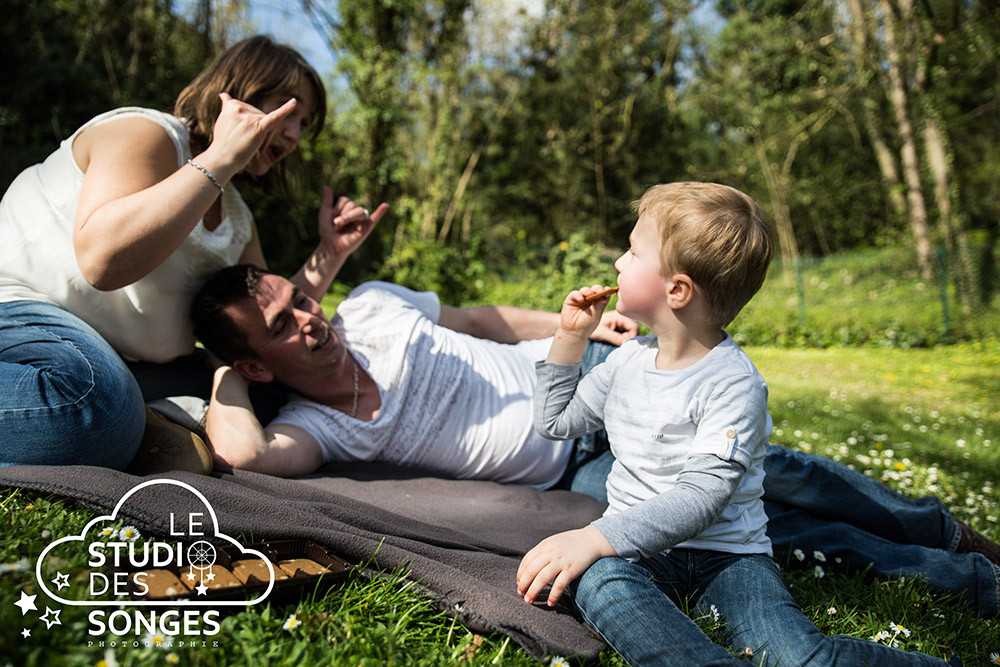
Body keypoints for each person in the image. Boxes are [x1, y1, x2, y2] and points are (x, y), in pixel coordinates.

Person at [191, 263, 1000, 621]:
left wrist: (576, 327)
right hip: (583, 462)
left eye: (301, 297)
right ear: (258, 362)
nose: (310, 317)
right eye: (283, 325)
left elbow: (480, 322)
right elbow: (246, 458)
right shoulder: (317, 428)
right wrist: (228, 378)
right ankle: (951, 571)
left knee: (768, 465)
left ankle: (934, 525)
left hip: (597, 382)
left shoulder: (369, 304)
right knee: (743, 520)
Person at [516, 182, 951, 666]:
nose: (618, 262)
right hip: (640, 555)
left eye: (633, 251)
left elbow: (701, 499)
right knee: (597, 579)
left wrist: (594, 537)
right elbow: (554, 422)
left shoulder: (733, 383)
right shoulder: (624, 365)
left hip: (729, 559)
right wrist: (569, 338)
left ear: (677, 290)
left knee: (801, 658)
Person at [0, 35, 386, 472]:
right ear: (240, 91)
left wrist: (330, 253)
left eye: (304, 122)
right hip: (20, 312)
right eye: (289, 110)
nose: (296, 135)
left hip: (132, 363)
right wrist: (222, 157)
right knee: (94, 406)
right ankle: (137, 422)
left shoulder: (237, 218)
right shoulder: (147, 135)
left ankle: (153, 417)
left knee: (277, 387)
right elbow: (102, 262)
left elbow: (266, 328)